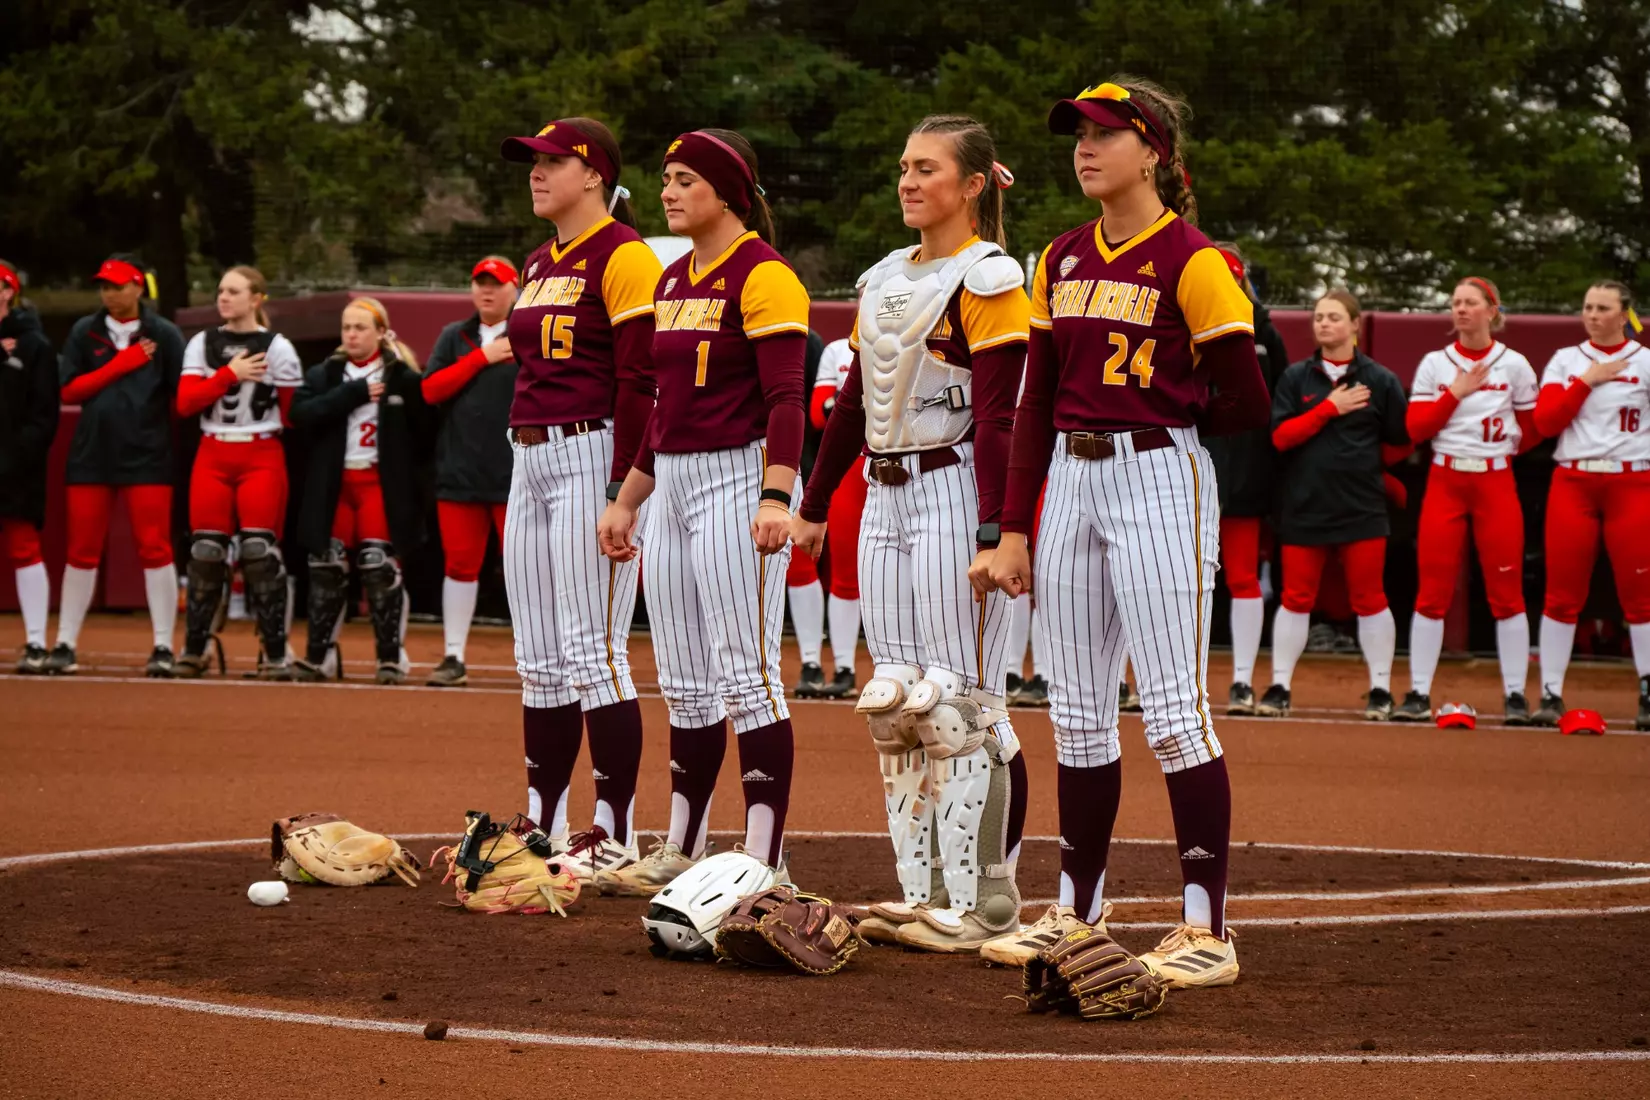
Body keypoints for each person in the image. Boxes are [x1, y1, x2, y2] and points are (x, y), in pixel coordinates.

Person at [985, 78, 1269, 982]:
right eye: (1078, 134)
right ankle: (1075, 912)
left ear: (1152, 151)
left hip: (1156, 471)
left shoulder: (1195, 260)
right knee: (1075, 715)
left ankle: (1207, 929)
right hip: (1068, 474)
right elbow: (1031, 408)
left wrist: (1166, 415)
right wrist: (1013, 527)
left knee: (1176, 712)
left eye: (1105, 133)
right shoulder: (1059, 257)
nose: (1084, 147)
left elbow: (1247, 400)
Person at [793, 114, 1031, 952]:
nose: (908, 180)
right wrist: (815, 502)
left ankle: (984, 904)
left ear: (973, 185)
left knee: (960, 703)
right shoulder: (886, 277)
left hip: (954, 486)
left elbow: (1003, 414)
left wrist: (1000, 526)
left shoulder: (992, 276)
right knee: (894, 700)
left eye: (926, 168)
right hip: (883, 492)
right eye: (903, 166)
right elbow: (854, 399)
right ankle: (922, 892)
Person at [597, 128, 807, 893]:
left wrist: (777, 494)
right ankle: (683, 842)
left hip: (739, 476)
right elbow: (665, 407)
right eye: (665, 178)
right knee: (685, 679)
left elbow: (787, 397)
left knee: (748, 674)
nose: (669, 191)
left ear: (727, 191)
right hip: (676, 482)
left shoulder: (765, 273)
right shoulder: (675, 277)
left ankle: (763, 855)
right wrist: (627, 498)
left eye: (685, 178)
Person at [493, 117, 661, 881]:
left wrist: (623, 485)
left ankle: (613, 830)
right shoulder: (537, 260)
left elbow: (641, 380)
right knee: (540, 659)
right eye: (533, 161)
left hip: (592, 451)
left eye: (552, 161)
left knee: (593, 653)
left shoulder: (624, 254)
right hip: (528, 454)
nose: (537, 172)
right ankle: (543, 821)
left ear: (594, 174)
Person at [1394, 278, 1540, 723]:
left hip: (1495, 480)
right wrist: (1455, 392)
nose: (1461, 310)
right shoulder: (1437, 363)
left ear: (1492, 311)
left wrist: (1502, 450)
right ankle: (1418, 692)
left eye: (1470, 303)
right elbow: (1415, 429)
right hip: (1446, 476)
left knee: (1507, 592)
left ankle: (1516, 695)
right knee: (1432, 590)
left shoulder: (1513, 364)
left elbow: (1534, 429)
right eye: (1456, 303)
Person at [1259, 290, 1409, 720]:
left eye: (1334, 317)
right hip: (1305, 506)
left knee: (1370, 598)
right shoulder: (1295, 378)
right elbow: (1281, 438)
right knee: (1295, 598)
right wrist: (1329, 408)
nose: (1323, 324)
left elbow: (1400, 443)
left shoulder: (1380, 380)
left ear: (1355, 324)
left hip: (1361, 507)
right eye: (1319, 317)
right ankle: (1279, 686)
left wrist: (1367, 472)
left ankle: (1381, 690)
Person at [51, 254, 186, 676]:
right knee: (82, 550)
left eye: (117, 286)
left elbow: (182, 396)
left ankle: (163, 646)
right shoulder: (84, 331)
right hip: (92, 453)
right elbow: (70, 392)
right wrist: (122, 364)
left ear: (137, 288)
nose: (110, 294)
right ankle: (65, 643)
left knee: (155, 547)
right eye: (104, 287)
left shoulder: (163, 334)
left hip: (147, 453)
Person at [173, 266, 304, 679]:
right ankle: (196, 647)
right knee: (205, 552)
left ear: (257, 299)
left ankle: (276, 650)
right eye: (221, 290)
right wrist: (229, 375)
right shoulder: (202, 342)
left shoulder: (278, 347)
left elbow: (293, 414)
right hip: (213, 450)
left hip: (261, 451)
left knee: (259, 553)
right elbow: (185, 403)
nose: (223, 298)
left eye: (233, 291)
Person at [289, 298, 429, 683]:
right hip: (335, 484)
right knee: (327, 567)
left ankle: (390, 657)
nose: (351, 334)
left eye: (360, 328)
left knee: (378, 566)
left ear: (381, 333)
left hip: (377, 484)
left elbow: (425, 432)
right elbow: (300, 414)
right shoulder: (325, 373)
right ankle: (320, 656)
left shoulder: (403, 377)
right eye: (347, 327)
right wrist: (352, 394)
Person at [1530, 281, 1649, 728]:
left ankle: (1648, 693)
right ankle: (1550, 693)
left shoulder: (1646, 362)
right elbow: (1544, 422)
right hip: (1574, 481)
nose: (1593, 315)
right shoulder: (1566, 360)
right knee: (1562, 594)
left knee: (1641, 597)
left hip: (1632, 481)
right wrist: (1586, 380)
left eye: (1603, 308)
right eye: (1587, 307)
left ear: (1625, 315)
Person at [420, 256, 521, 687]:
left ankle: (539, 659)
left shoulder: (529, 332)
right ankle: (453, 656)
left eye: (496, 284)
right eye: (480, 283)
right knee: (460, 566)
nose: (487, 291)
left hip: (516, 474)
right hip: (460, 472)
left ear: (514, 288)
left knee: (522, 569)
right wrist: (481, 357)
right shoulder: (454, 336)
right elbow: (430, 390)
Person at [1204, 243, 1289, 714]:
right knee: (1177, 579)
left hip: (1248, 472)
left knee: (1242, 577)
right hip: (1197, 466)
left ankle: (1241, 681)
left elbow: (1272, 401)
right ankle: (1160, 682)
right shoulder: (1185, 315)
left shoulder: (1264, 332)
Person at [0, 260, 61, 673]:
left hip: (14, 465)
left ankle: (37, 642)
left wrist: (16, 456)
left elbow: (44, 415)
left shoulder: (33, 344)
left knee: (24, 547)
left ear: (8, 291)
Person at [796, 332, 863, 698]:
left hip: (897, 462)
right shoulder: (838, 349)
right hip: (848, 466)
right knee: (839, 572)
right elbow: (820, 413)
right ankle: (836, 666)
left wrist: (844, 402)